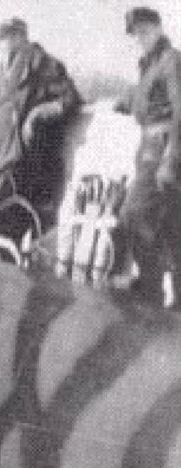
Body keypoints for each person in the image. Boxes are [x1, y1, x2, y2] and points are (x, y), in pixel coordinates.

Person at [0, 18, 81, 238]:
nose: (2, 43)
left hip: (20, 147)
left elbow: (70, 98)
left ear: (21, 36)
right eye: (1, 38)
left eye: (7, 37)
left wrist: (40, 112)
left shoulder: (43, 63)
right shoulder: (9, 67)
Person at [116, 7, 181, 308]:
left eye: (144, 31)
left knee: (134, 214)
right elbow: (148, 100)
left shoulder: (171, 60)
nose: (139, 39)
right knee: (170, 226)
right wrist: (127, 102)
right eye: (135, 34)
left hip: (164, 148)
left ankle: (151, 291)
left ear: (157, 28)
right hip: (149, 147)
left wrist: (171, 157)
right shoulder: (149, 64)